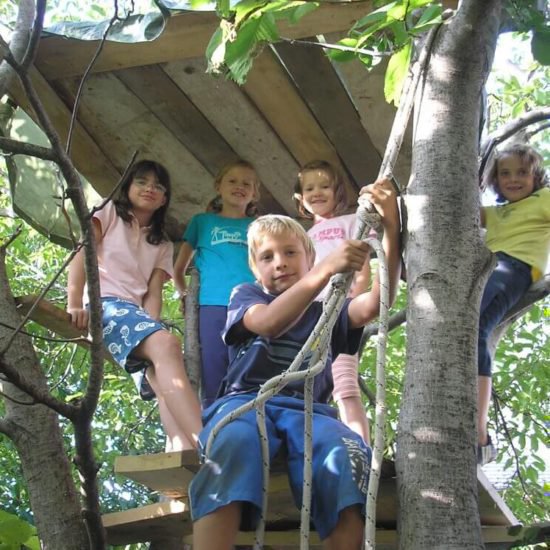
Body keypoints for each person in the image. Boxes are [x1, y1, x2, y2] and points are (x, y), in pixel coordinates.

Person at [190, 178, 401, 550]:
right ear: (255, 269)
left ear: (309, 258)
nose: (280, 263)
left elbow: (374, 305)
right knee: (235, 442)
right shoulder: (247, 295)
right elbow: (269, 322)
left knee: (347, 452)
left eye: (290, 253)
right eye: (267, 257)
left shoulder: (327, 312)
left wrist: (391, 231)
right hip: (246, 403)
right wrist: (326, 271)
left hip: (310, 411)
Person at [67, 159, 202, 451]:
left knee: (159, 365)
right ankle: (208, 442)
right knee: (166, 346)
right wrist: (74, 302)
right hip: (102, 304)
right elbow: (83, 253)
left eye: (158, 186)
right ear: (127, 186)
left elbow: (154, 292)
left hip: (134, 314)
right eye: (142, 181)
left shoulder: (162, 244)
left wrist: (151, 327)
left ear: (164, 199)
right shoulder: (109, 213)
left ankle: (183, 448)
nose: (149, 189)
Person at [478, 143, 549, 465]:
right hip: (485, 270)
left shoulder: (544, 199)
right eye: (505, 173)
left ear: (537, 176)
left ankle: (480, 433)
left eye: (523, 172)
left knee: (473, 328)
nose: (514, 179)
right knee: (465, 331)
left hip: (514, 267)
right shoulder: (495, 213)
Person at [294, 160, 373, 444]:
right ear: (300, 198)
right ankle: (318, 445)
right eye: (309, 188)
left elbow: (362, 267)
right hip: (310, 315)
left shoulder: (350, 222)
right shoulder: (301, 236)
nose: (317, 193)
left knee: (344, 382)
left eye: (324, 186)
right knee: (310, 383)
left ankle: (360, 446)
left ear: (338, 192)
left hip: (342, 309)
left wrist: (355, 296)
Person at [174, 159, 261, 406]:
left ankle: (249, 419)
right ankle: (214, 422)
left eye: (247, 183)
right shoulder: (202, 222)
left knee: (249, 366)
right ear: (218, 186)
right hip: (210, 304)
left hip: (250, 305)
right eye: (232, 181)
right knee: (212, 365)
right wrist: (183, 294)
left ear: (255, 193)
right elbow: (179, 269)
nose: (239, 186)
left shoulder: (257, 226)